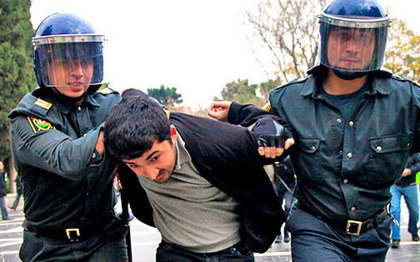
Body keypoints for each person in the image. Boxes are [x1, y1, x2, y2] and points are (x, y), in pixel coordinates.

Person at [208, 0, 420, 260]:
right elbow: (256, 132)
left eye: (364, 37)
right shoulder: (289, 100)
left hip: (377, 235)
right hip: (315, 229)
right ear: (327, 37)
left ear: (378, 43)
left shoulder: (408, 102)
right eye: (343, 35)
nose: (352, 47)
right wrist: (249, 120)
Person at [103, 89, 293, 261]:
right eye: (135, 165)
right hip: (175, 253)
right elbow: (131, 94)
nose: (151, 174)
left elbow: (284, 133)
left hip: (233, 254)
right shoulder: (122, 143)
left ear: (172, 134)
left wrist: (240, 113)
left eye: (155, 158)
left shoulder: (217, 142)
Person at [8, 13, 128, 261]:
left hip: (104, 241)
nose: (78, 73)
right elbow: (67, 159)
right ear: (45, 65)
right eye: (66, 64)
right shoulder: (27, 117)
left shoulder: (108, 103)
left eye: (86, 63)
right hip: (49, 247)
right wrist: (117, 125)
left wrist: (140, 103)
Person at [390, 153, 420, 248]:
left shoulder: (413, 150)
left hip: (410, 184)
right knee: (394, 210)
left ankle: (413, 230)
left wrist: (410, 171)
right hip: (395, 185)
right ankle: (395, 238)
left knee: (414, 212)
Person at [273, 155, 296, 244]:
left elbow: (292, 172)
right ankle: (278, 234)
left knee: (288, 208)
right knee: (276, 212)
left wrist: (283, 166)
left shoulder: (288, 159)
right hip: (277, 187)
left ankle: (286, 232)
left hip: (288, 187)